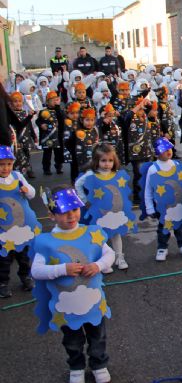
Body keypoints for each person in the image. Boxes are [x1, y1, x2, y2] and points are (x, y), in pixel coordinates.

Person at [31, 186, 114, 383]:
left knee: (98, 336)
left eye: (75, 210)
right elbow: (36, 271)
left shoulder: (92, 233)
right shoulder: (46, 242)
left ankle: (99, 364)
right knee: (72, 340)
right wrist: (62, 269)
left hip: (93, 303)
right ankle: (76, 367)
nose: (71, 216)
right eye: (64, 212)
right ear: (51, 216)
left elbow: (109, 254)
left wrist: (98, 265)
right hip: (66, 306)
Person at [75, 143, 135, 272]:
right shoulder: (91, 174)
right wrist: (84, 200)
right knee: (100, 236)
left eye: (110, 160)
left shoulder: (117, 174)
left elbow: (121, 190)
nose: (107, 164)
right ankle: (103, 261)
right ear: (96, 161)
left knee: (116, 233)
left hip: (114, 211)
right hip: (98, 211)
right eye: (103, 161)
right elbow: (78, 184)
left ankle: (119, 257)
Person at [144, 138, 182, 262]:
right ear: (157, 153)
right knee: (163, 227)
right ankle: (162, 248)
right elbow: (148, 190)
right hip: (162, 206)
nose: (169, 152)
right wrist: (149, 207)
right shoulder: (153, 169)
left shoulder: (177, 165)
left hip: (178, 204)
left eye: (170, 149)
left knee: (180, 226)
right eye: (165, 150)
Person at [0, 145, 37, 298]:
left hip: (22, 226)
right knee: (4, 258)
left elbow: (32, 194)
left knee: (24, 255)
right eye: (1, 164)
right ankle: (2, 283)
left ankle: (25, 277)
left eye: (8, 164)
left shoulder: (17, 176)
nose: (5, 168)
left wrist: (27, 191)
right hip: (4, 229)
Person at [66, 108, 100, 183]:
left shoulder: (95, 130)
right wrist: (74, 153)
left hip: (92, 159)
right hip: (78, 160)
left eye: (92, 120)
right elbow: (68, 143)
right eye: (87, 120)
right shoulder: (77, 132)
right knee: (78, 177)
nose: (89, 123)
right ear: (82, 120)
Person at [36, 91, 64, 175]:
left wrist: (58, 107)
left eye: (56, 99)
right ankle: (46, 168)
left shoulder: (59, 110)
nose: (54, 101)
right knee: (47, 154)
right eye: (52, 100)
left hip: (57, 136)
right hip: (47, 137)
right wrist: (41, 125)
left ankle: (58, 167)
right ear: (47, 101)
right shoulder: (43, 111)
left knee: (58, 153)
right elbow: (38, 121)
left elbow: (62, 120)